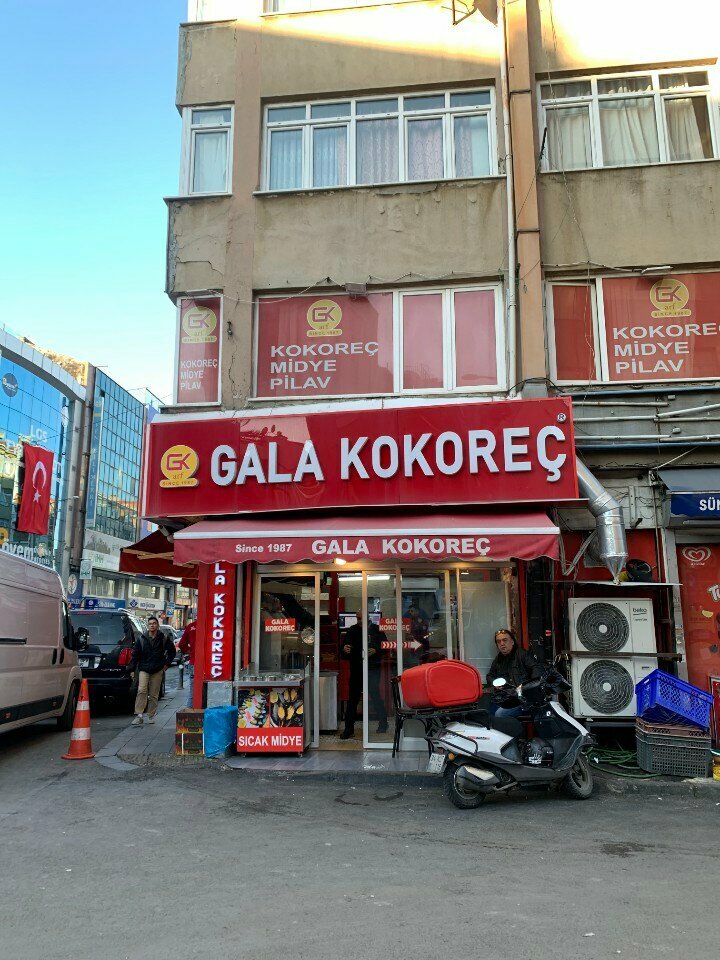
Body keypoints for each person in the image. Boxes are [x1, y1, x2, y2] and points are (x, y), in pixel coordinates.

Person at [341, 613, 388, 739]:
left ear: (368, 618)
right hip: (356, 669)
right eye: (358, 618)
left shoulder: (377, 629)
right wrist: (344, 649)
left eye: (362, 618)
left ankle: (383, 724)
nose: (360, 620)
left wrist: (376, 650)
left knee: (375, 695)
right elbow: (343, 649)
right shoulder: (352, 630)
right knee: (353, 699)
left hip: (372, 668)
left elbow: (386, 646)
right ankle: (348, 729)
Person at [129, 616, 176, 725]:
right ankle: (139, 715)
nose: (152, 625)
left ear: (157, 625)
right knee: (141, 690)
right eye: (150, 624)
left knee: (154, 694)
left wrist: (166, 664)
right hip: (144, 668)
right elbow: (135, 655)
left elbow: (172, 652)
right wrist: (132, 669)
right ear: (148, 625)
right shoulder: (142, 639)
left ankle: (150, 715)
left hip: (157, 669)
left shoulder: (163, 638)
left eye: (154, 623)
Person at [486, 629, 542, 718]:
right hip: (507, 698)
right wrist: (495, 683)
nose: (502, 643)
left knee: (499, 714)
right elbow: (490, 676)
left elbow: (537, 669)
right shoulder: (498, 659)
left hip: (523, 700)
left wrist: (525, 687)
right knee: (487, 712)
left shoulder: (522, 654)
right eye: (498, 641)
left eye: (505, 640)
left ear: (512, 642)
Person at [177, 619, 197, 708]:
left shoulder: (191, 626)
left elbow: (181, 644)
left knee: (193, 692)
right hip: (210, 664)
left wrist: (190, 652)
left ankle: (190, 712)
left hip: (194, 662)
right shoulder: (212, 625)